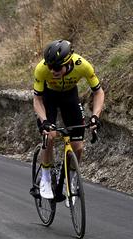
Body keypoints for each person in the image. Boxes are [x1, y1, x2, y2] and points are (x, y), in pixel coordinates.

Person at [32, 39, 104, 199]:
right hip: (48, 97)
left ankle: (71, 179)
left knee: (78, 146)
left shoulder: (82, 65)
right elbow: (37, 100)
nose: (52, 71)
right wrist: (44, 120)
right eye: (50, 67)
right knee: (49, 135)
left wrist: (95, 116)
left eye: (57, 67)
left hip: (70, 96)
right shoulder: (41, 69)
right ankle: (45, 176)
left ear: (69, 62)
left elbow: (98, 92)